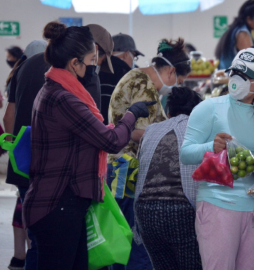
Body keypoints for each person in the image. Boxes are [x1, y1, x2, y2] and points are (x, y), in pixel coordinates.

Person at [22, 21, 154, 270]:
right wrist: (131, 114)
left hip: (62, 203)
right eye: (92, 59)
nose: (96, 65)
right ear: (75, 63)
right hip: (56, 206)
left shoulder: (54, 90)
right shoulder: (63, 99)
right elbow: (110, 140)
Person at [180, 48, 254, 270]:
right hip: (218, 206)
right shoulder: (208, 108)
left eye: (245, 77)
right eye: (234, 73)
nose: (236, 80)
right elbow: (185, 153)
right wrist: (210, 146)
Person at [107, 38, 191, 270]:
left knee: (126, 242)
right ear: (171, 71)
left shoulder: (139, 79)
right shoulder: (143, 84)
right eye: (179, 81)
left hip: (124, 168)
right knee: (136, 242)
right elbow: (138, 133)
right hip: (127, 169)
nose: (176, 86)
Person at [134, 86, 203, 270]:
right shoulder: (200, 129)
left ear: (169, 111)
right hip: (182, 211)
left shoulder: (151, 130)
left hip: (145, 212)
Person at [3, 40, 47, 270]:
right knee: (38, 220)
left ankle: (20, 257)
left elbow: (8, 118)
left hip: (21, 160)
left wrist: (15, 148)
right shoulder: (48, 75)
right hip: (41, 159)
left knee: (23, 209)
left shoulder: (17, 74)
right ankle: (29, 256)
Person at [99, 33, 142, 124]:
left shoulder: (96, 72)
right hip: (119, 132)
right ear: (126, 54)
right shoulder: (128, 76)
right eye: (134, 56)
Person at [215, 0, 254, 70]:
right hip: (231, 78)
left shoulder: (236, 29)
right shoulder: (243, 34)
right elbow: (252, 63)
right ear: (249, 19)